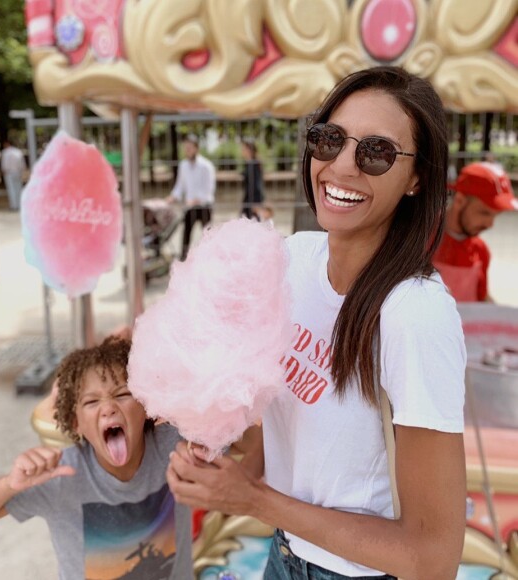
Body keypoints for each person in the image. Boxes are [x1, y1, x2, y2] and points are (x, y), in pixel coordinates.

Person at [167, 66, 467, 580]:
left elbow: (432, 556)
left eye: (376, 152)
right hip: (284, 555)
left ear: (417, 177)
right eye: (330, 139)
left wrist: (256, 499)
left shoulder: (415, 315)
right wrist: (228, 462)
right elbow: (285, 412)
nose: (342, 167)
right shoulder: (292, 260)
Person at [0, 337, 192, 580]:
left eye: (122, 394)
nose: (108, 408)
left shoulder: (175, 444)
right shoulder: (61, 474)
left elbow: (234, 441)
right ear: (75, 422)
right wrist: (8, 484)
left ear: (145, 405)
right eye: (91, 401)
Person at [433, 161, 517, 302]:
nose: (490, 224)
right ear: (460, 200)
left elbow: (482, 298)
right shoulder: (419, 239)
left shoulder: (480, 251)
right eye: (484, 213)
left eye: (495, 215)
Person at [166, 134, 216, 260]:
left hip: (204, 206)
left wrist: (199, 199)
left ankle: (211, 259)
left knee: (208, 234)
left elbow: (210, 188)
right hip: (190, 207)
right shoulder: (183, 165)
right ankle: (183, 260)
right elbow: (180, 186)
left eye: (189, 147)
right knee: (186, 234)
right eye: (185, 148)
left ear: (196, 148)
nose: (187, 150)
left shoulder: (207, 166)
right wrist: (173, 197)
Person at [241, 137, 265, 219]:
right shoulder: (249, 163)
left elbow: (257, 184)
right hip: (248, 199)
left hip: (253, 200)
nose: (242, 151)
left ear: (249, 150)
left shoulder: (253, 164)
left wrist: (256, 202)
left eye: (244, 148)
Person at [0, 140, 26, 211]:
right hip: (17, 172)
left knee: (11, 189)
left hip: (9, 172)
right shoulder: (18, 151)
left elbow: (4, 164)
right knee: (19, 189)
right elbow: (22, 164)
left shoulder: (5, 152)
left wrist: (3, 171)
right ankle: (20, 205)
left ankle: (14, 206)